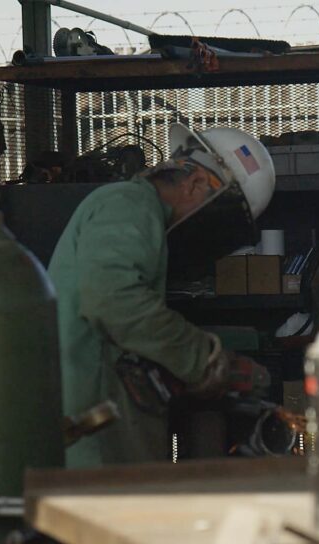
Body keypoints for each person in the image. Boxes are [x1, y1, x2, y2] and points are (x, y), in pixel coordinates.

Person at [48, 124, 276, 468]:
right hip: (90, 425)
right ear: (197, 184)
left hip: (101, 413)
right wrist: (204, 361)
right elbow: (114, 299)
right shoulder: (128, 204)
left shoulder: (139, 211)